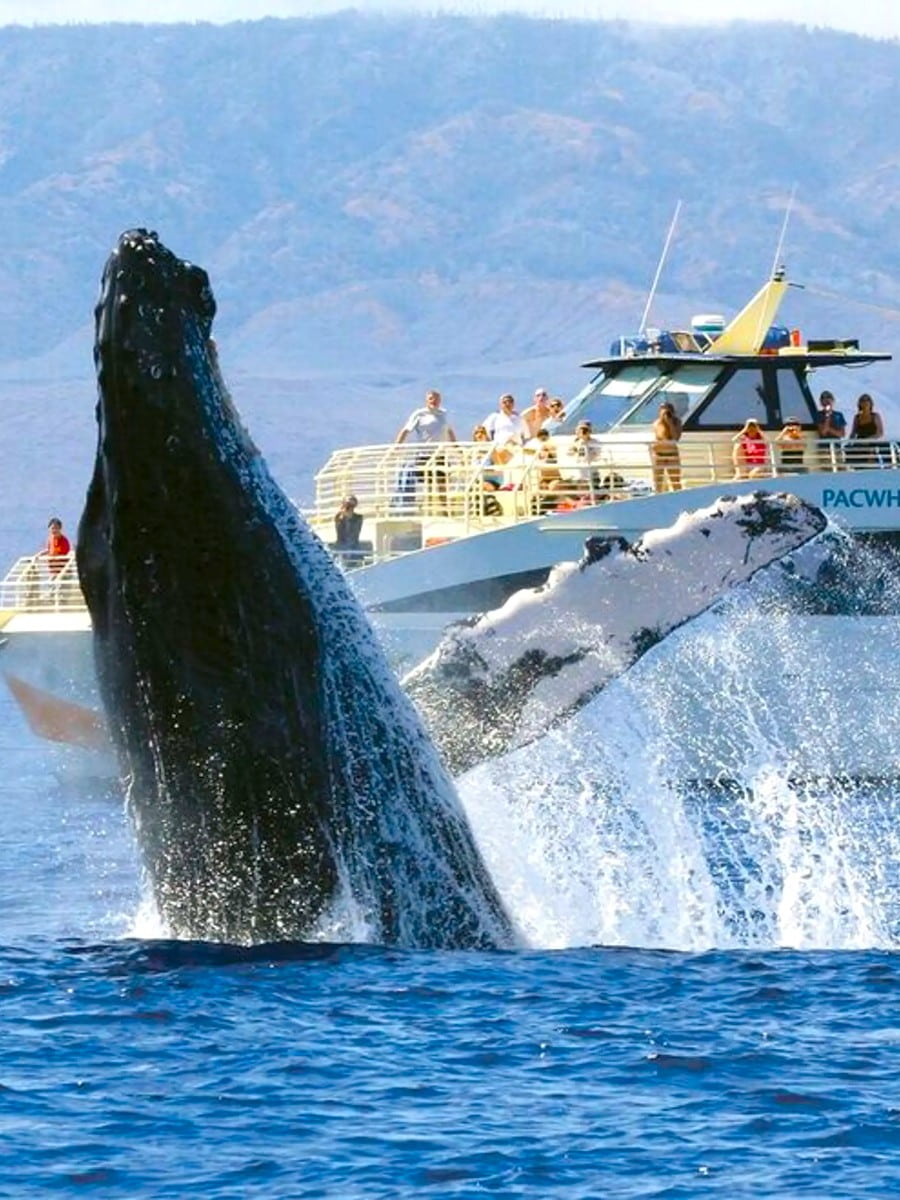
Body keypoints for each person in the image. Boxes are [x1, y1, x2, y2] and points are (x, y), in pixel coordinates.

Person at [394, 389, 456, 512]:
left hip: (440, 454)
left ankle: (446, 510)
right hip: (425, 454)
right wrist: (397, 445)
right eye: (431, 398)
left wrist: (456, 446)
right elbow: (406, 430)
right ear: (426, 400)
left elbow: (449, 431)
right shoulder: (419, 414)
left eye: (436, 398)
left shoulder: (443, 414)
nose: (434, 401)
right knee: (428, 483)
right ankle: (428, 509)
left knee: (442, 483)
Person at [650, 401, 682, 492]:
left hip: (672, 454)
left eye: (669, 411)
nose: (666, 414)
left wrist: (670, 423)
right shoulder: (657, 423)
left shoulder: (677, 422)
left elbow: (676, 438)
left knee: (675, 481)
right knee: (658, 482)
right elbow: (660, 437)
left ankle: (679, 499)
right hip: (659, 454)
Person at [847, 393, 885, 468]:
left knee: (875, 451)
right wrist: (851, 441)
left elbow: (880, 432)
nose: (865, 403)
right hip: (860, 441)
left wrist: (869, 439)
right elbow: (853, 432)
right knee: (848, 450)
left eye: (867, 400)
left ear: (871, 403)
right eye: (863, 401)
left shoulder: (875, 416)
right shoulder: (857, 417)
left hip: (872, 441)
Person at [817, 389, 847, 469]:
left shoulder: (839, 415)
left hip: (837, 447)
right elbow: (823, 432)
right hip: (824, 448)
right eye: (824, 398)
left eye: (829, 397)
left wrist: (829, 429)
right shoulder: (818, 415)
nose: (826, 400)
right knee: (827, 469)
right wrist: (827, 416)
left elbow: (842, 433)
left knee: (841, 469)